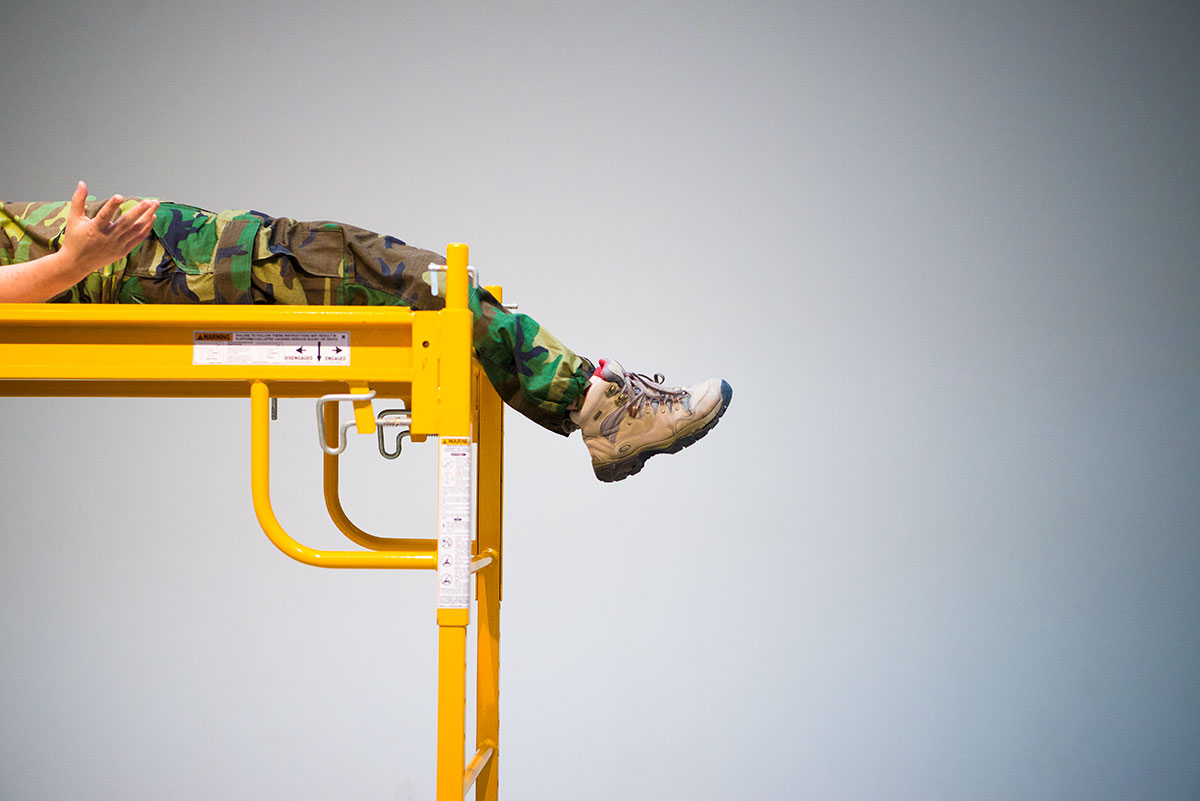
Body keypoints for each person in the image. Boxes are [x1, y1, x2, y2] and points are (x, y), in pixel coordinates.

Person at [1, 183, 732, 481]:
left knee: (408, 276)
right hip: (135, 269)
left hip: (157, 252)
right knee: (410, 280)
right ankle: (597, 406)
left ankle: (594, 401)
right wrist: (73, 261)